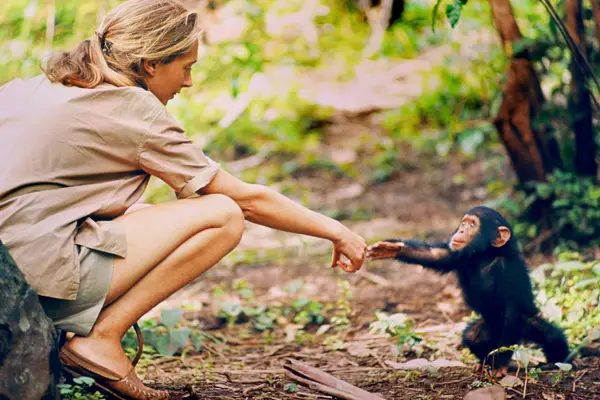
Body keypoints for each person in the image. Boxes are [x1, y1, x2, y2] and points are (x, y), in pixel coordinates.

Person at [0, 0, 366, 398]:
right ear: (151, 64)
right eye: (186, 67)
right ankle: (101, 339)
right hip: (32, 287)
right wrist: (335, 230)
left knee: (142, 213)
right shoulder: (132, 108)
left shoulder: (32, 87)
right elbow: (243, 201)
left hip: (10, 271)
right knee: (221, 215)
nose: (188, 81)